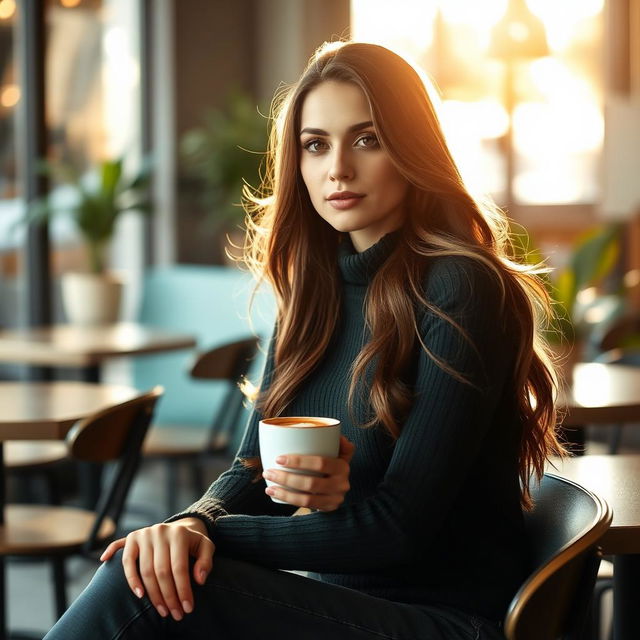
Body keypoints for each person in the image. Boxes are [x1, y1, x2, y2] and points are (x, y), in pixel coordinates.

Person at [44, 41, 566, 640]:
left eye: (367, 139)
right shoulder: (312, 295)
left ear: (412, 148)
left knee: (137, 587)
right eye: (315, 145)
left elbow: (397, 528)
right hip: (335, 602)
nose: (337, 168)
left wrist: (209, 535)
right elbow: (247, 473)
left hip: (445, 619)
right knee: (150, 576)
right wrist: (192, 521)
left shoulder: (463, 285)